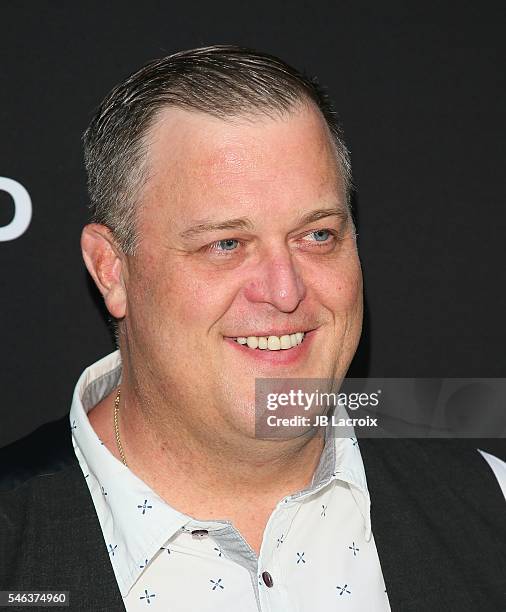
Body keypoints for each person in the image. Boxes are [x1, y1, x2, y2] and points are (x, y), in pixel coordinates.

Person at [1, 46, 505, 612]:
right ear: (111, 269)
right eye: (226, 244)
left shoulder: (490, 505)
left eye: (317, 235)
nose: (285, 290)